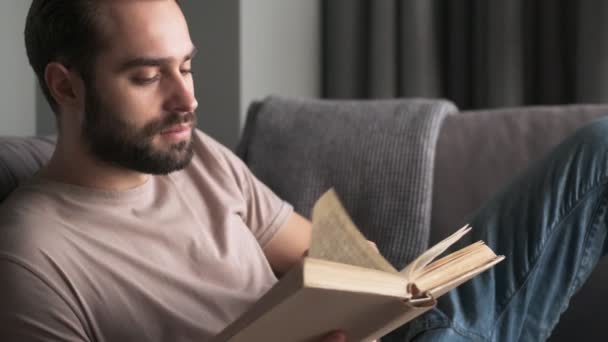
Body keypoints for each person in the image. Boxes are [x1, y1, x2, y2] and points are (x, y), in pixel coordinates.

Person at [0, 1, 605, 341]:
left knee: (600, 150)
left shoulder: (198, 159)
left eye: (185, 67)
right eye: (147, 76)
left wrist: (372, 288)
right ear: (65, 86)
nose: (185, 100)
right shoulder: (34, 254)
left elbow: (335, 260)